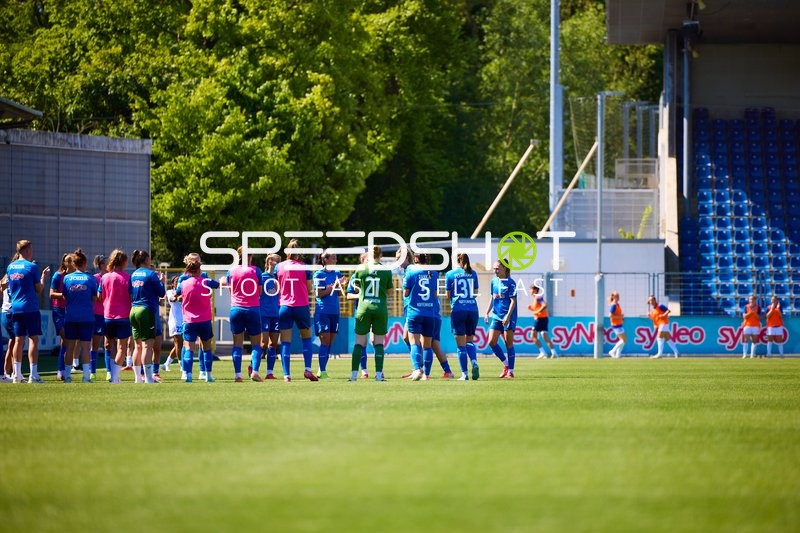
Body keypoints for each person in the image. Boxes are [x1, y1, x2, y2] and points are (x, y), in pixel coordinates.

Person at [7, 240, 51, 383]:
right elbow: (39, 289)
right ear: (26, 250)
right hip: (30, 307)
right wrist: (43, 278)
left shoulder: (10, 267)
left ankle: (17, 374)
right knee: (33, 339)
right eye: (31, 249)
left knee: (18, 340)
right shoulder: (32, 267)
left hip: (15, 307)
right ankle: (33, 374)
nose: (32, 252)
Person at [349, 246, 393, 381]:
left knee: (359, 342)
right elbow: (390, 293)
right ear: (381, 255)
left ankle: (354, 375)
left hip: (363, 308)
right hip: (380, 308)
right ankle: (379, 375)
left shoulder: (360, 268)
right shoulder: (386, 270)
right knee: (379, 342)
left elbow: (355, 287)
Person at [276, 240, 316, 382]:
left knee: (285, 341)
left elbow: (275, 286)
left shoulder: (279, 267)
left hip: (284, 306)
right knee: (306, 338)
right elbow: (309, 288)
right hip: (301, 306)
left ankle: (286, 375)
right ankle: (308, 369)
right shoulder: (304, 267)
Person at [177, 253, 219, 382]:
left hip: (189, 320)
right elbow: (217, 285)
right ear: (199, 269)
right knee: (207, 348)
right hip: (204, 320)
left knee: (189, 348)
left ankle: (188, 375)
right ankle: (208, 375)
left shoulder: (183, 283)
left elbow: (176, 294)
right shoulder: (205, 281)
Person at [59, 250, 99, 383]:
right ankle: (86, 377)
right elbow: (95, 298)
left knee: (69, 347)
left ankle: (67, 376)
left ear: (74, 264)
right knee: (86, 347)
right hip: (86, 317)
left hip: (70, 317)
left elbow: (64, 296)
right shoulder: (90, 278)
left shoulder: (67, 278)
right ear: (85, 263)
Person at [223, 248, 263, 382]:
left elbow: (230, 291)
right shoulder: (256, 270)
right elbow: (259, 292)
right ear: (250, 257)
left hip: (236, 309)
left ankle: (238, 375)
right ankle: (255, 372)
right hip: (252, 309)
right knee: (256, 344)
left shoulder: (231, 271)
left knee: (237, 344)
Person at [129, 250, 166, 384]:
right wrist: (162, 282)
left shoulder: (133, 274)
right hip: (146, 310)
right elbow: (161, 293)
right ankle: (149, 378)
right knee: (147, 346)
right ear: (146, 260)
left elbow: (130, 293)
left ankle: (138, 378)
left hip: (134, 310)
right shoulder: (151, 274)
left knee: (137, 346)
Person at [403, 253, 439, 381]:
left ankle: (417, 369)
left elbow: (406, 293)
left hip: (415, 312)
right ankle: (426, 375)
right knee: (427, 345)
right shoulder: (434, 273)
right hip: (430, 313)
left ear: (415, 259)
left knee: (414, 342)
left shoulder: (411, 272)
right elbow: (435, 295)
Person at [445, 253, 480, 380]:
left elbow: (448, 295)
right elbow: (475, 293)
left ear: (457, 261)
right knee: (469, 341)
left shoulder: (450, 274)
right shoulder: (473, 273)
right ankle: (474, 362)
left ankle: (464, 374)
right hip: (473, 310)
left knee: (460, 345)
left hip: (458, 310)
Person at [100, 249, 132, 383]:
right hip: (123, 316)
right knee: (121, 348)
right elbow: (131, 297)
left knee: (111, 346)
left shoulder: (104, 277)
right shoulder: (127, 278)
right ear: (123, 262)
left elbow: (99, 296)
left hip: (108, 315)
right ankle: (114, 377)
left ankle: (112, 375)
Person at [313, 249, 344, 379]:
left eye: (336, 258)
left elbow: (340, 294)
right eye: (333, 258)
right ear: (325, 260)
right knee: (325, 341)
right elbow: (319, 293)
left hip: (335, 312)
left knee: (330, 343)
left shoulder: (337, 273)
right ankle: (323, 371)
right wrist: (333, 286)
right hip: (323, 312)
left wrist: (341, 285)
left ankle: (321, 370)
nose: (335, 260)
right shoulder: (319, 274)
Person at [484, 261, 517, 378]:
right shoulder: (494, 281)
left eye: (497, 268)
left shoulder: (511, 282)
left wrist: (508, 316)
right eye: (494, 268)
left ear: (504, 268)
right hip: (496, 316)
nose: (495, 271)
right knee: (491, 342)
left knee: (508, 343)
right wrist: (487, 312)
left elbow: (513, 301)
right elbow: (492, 298)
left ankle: (511, 371)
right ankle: (506, 365)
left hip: (508, 316)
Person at [254, 253, 281, 380]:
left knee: (273, 344)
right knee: (263, 343)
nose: (279, 263)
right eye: (277, 261)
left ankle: (269, 372)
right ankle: (253, 367)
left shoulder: (278, 279)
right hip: (263, 314)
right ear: (270, 262)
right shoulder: (262, 277)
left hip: (275, 314)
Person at [50, 253, 75, 380]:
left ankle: (62, 371)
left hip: (70, 311)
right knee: (66, 338)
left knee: (66, 342)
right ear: (64, 263)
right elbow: (51, 294)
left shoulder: (75, 277)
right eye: (67, 261)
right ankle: (62, 370)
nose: (70, 263)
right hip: (58, 311)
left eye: (72, 261)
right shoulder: (58, 275)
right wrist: (64, 295)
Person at [527, 283, 559, 359]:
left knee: (532, 336)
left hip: (540, 319)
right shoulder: (536, 298)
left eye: (530, 289)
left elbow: (544, 305)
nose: (529, 291)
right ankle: (554, 353)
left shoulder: (538, 297)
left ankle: (542, 352)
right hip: (544, 318)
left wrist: (536, 311)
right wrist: (532, 309)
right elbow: (538, 309)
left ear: (535, 290)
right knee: (545, 336)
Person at [91, 255, 108, 381]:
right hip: (97, 314)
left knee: (109, 344)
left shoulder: (111, 277)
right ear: (102, 265)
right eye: (107, 263)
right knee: (95, 344)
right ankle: (92, 371)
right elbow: (94, 297)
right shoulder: (94, 278)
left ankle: (110, 372)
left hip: (109, 315)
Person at [164, 276, 184, 373]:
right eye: (176, 281)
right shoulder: (170, 292)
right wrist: (180, 296)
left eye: (180, 281)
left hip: (185, 320)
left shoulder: (184, 291)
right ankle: (182, 366)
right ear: (173, 284)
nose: (179, 282)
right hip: (175, 321)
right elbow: (173, 299)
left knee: (180, 344)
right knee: (179, 343)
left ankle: (166, 364)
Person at [1, 274, 15, 382]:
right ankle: (15, 373)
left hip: (5, 312)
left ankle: (6, 372)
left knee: (13, 342)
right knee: (18, 342)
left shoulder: (5, 279)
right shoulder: (15, 277)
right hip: (11, 312)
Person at [608, 290, 626, 358]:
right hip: (616, 325)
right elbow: (610, 315)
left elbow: (618, 314)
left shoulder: (617, 304)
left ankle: (618, 355)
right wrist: (620, 317)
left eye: (618, 296)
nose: (618, 297)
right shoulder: (613, 305)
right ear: (613, 297)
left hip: (619, 323)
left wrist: (621, 317)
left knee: (622, 340)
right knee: (624, 340)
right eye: (616, 296)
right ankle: (612, 351)